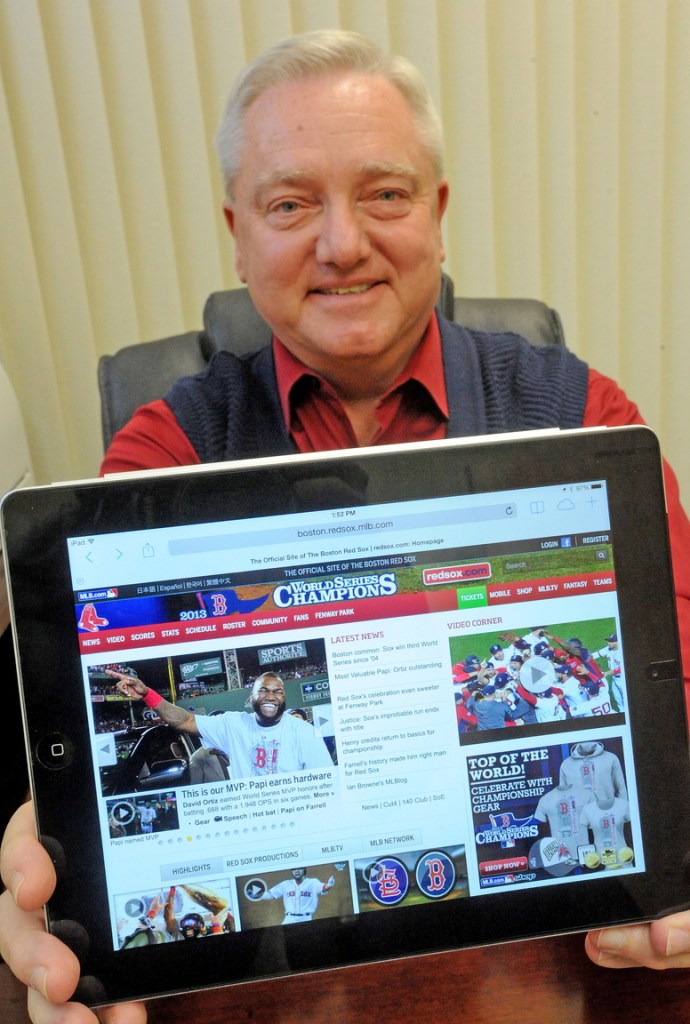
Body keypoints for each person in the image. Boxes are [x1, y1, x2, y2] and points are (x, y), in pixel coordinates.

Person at [2, 27, 690, 1024]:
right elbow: (114, 730)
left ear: (438, 216)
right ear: (236, 233)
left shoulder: (584, 415)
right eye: (291, 205)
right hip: (276, 976)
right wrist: (65, 842)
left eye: (385, 193)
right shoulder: (161, 454)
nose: (342, 242)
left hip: (551, 964)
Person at [111, 670, 333, 776]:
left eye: (278, 691)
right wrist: (148, 694)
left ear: (284, 697)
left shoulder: (303, 731)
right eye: (263, 690)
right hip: (250, 821)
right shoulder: (233, 725)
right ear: (251, 697)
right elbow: (185, 720)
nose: (270, 696)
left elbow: (325, 784)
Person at [250, 866, 335, 924]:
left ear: (304, 870)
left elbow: (323, 887)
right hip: (289, 919)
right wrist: (257, 895)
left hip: (306, 919)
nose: (296, 871)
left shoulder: (312, 882)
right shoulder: (286, 884)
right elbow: (270, 895)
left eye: (299, 869)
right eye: (294, 869)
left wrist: (329, 885)